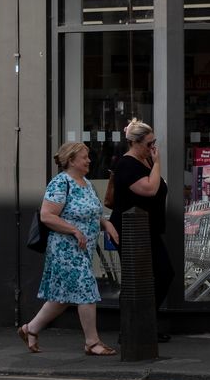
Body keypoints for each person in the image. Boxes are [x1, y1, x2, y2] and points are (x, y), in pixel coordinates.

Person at [18, 142, 119, 356]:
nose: (89, 160)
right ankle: (92, 342)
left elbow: (91, 212)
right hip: (65, 249)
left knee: (61, 297)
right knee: (85, 289)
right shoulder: (60, 183)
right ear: (72, 160)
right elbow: (47, 216)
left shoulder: (86, 183)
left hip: (83, 249)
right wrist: (73, 230)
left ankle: (31, 329)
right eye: (85, 157)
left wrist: (106, 224)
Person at [110, 118, 175, 342]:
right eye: (149, 144)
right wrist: (157, 164)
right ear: (135, 143)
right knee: (136, 278)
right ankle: (130, 329)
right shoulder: (127, 164)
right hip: (130, 230)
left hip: (148, 229)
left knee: (162, 274)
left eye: (154, 142)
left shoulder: (145, 161)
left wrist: (152, 163)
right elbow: (149, 189)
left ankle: (144, 324)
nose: (153, 148)